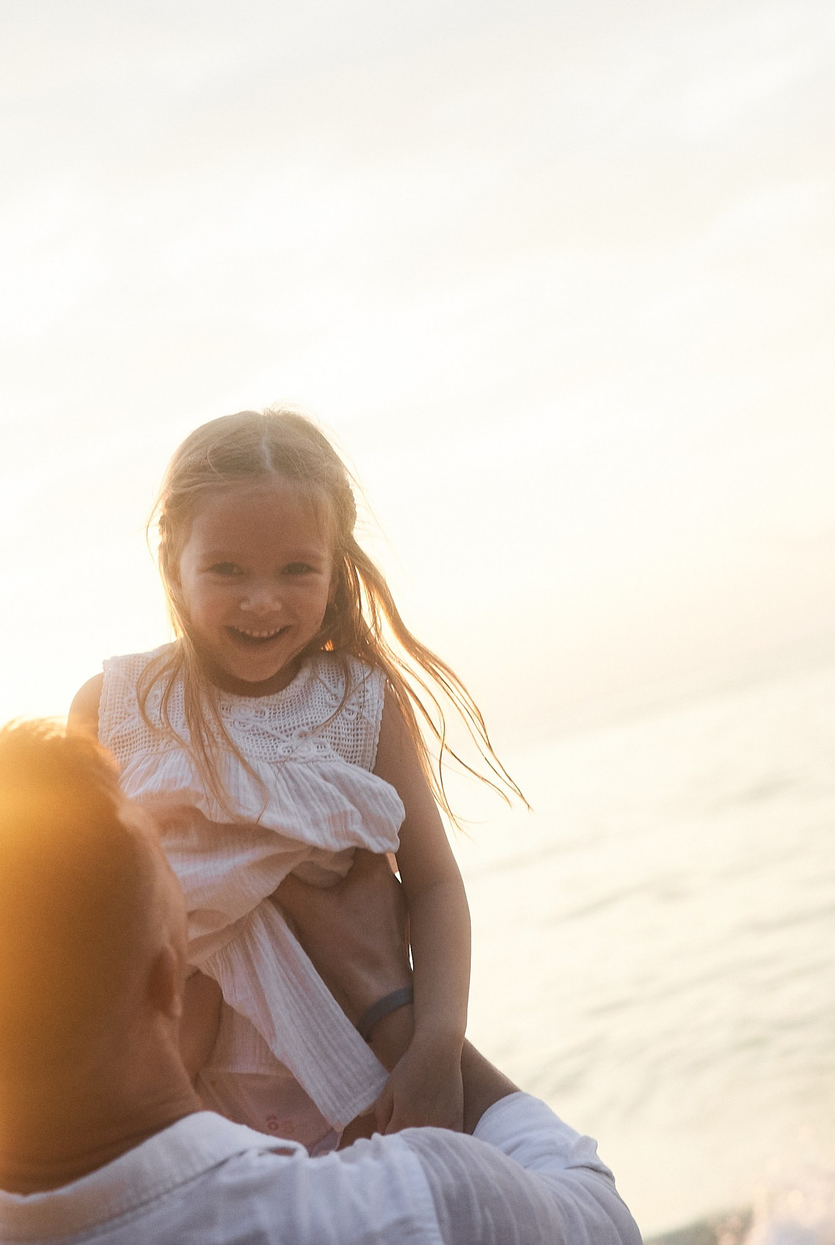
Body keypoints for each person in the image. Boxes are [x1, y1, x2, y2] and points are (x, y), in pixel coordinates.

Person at [0, 718, 640, 1244]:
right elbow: (600, 1216)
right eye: (181, 879)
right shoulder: (391, 1210)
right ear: (170, 981)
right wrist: (384, 997)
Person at [68, 409, 522, 1152]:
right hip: (185, 1103)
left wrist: (436, 1047)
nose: (262, 600)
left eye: (296, 569)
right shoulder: (115, 708)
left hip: (357, 1086)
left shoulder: (359, 702)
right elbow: (72, 913)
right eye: (226, 569)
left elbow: (435, 882)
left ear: (334, 564)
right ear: (172, 560)